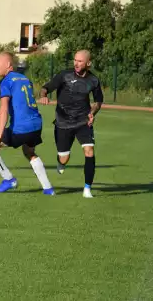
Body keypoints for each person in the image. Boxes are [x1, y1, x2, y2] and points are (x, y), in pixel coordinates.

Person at [0, 52, 55, 194]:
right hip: (36, 125)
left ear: (8, 65)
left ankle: (8, 179)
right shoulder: (25, 79)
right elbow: (22, 103)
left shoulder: (5, 81)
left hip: (21, 128)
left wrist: (0, 134)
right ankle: (48, 188)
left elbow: (5, 107)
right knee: (29, 151)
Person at [39, 50, 103, 199]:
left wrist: (92, 112)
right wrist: (43, 96)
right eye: (75, 60)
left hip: (83, 122)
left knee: (89, 151)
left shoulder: (94, 80)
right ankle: (61, 163)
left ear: (88, 63)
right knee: (64, 158)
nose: (76, 63)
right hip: (63, 122)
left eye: (80, 61)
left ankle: (87, 188)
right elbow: (46, 87)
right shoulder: (64, 75)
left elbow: (98, 102)